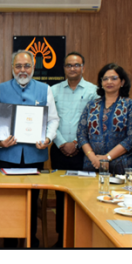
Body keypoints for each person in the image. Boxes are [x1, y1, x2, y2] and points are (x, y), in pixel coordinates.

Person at [0, 50, 59, 248]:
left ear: (33, 67)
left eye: (27, 66)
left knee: (32, 199)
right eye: (18, 66)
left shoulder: (45, 89)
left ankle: (31, 239)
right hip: (6, 155)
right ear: (12, 68)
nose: (23, 70)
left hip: (34, 155)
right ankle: (9, 241)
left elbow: (53, 119)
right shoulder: (0, 89)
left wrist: (47, 138)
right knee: (8, 201)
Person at [49, 51, 97, 247]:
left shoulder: (93, 90)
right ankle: (62, 239)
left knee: (82, 195)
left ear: (83, 67)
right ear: (64, 68)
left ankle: (80, 239)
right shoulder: (53, 90)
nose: (73, 68)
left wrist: (78, 143)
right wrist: (61, 142)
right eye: (69, 65)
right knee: (60, 196)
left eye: (76, 65)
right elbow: (50, 119)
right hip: (58, 149)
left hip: (83, 151)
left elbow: (92, 122)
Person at [77, 63, 132, 173]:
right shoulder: (91, 105)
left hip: (120, 165)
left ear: (122, 82)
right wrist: (93, 157)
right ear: (101, 83)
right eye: (105, 79)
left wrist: (107, 157)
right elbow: (81, 134)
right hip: (93, 164)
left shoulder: (130, 105)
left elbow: (131, 138)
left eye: (114, 78)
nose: (109, 82)